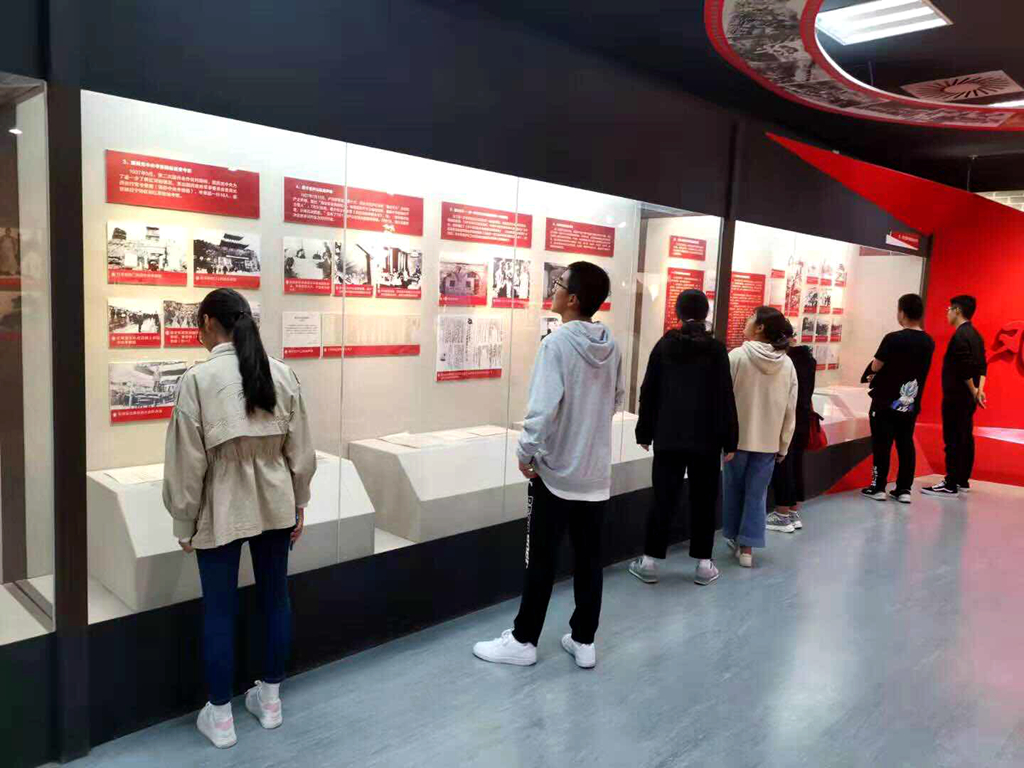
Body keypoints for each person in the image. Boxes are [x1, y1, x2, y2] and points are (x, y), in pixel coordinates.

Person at [163, 288, 316, 749]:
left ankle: (221, 718)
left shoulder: (198, 380)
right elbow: (301, 453)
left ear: (209, 322)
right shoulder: (282, 373)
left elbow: (187, 463)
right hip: (276, 502)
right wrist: (299, 503)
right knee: (275, 599)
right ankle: (270, 703)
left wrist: (183, 522)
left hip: (220, 506)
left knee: (219, 610)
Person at [473, 262, 622, 670]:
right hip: (595, 474)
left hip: (555, 474)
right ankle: (584, 639)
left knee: (540, 558)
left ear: (572, 299)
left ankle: (524, 640)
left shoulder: (556, 345)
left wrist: (526, 453)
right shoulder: (611, 345)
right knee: (589, 561)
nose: (552, 289)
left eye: (558, 284)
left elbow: (541, 411)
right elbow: (615, 400)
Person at [628, 289, 738, 586]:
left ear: (677, 313)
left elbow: (649, 391)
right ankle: (703, 564)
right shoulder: (716, 349)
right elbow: (725, 397)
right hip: (707, 439)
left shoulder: (664, 346)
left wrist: (644, 431)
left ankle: (650, 561)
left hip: (669, 436)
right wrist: (731, 439)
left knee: (663, 497)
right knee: (704, 499)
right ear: (706, 314)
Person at [723, 307, 797, 568]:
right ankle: (748, 547)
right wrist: (784, 445)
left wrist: (722, 437)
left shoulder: (736, 357)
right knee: (757, 494)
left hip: (736, 441)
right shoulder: (786, 364)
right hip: (768, 442)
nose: (746, 321)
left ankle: (734, 536)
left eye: (751, 318)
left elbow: (724, 400)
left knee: (733, 489)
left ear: (760, 328)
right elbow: (790, 408)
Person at [860, 294, 935, 504]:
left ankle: (878, 487)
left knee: (882, 444)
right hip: (909, 402)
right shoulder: (928, 341)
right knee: (905, 443)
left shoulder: (893, 338)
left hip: (885, 401)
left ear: (902, 312)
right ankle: (904, 489)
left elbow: (877, 365)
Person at [923, 295, 987, 497]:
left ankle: (950, 482)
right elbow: (982, 366)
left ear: (957, 310)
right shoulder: (976, 335)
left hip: (956, 396)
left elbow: (964, 369)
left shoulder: (960, 336)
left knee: (953, 438)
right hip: (968, 398)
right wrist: (979, 391)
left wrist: (974, 390)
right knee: (965, 436)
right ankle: (962, 479)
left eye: (949, 309)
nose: (947, 313)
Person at [767, 336, 816, 532]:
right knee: (796, 463)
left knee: (783, 464)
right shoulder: (808, 359)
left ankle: (782, 513)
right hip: (803, 418)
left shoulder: (785, 362)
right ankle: (793, 510)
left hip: (787, 418)